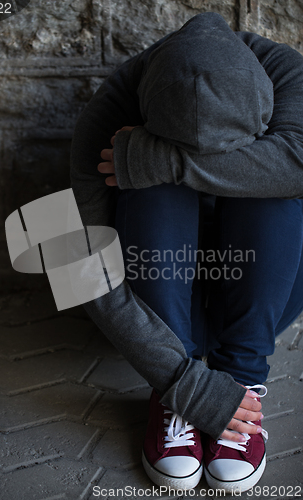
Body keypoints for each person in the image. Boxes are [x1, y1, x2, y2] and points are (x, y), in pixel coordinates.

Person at [70, 12, 303, 492]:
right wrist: (179, 378)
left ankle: (241, 382)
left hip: (260, 299)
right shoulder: (111, 108)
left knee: (276, 187)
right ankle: (175, 399)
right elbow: (81, 268)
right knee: (151, 190)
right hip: (161, 314)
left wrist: (166, 160)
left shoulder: (289, 76)